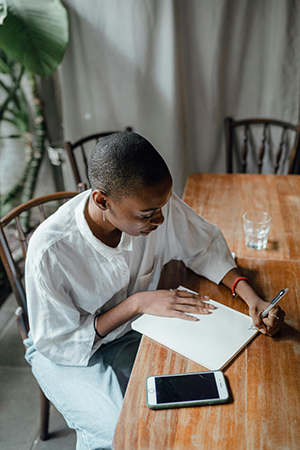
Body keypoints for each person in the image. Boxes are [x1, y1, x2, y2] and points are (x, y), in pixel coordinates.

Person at [24, 131, 285, 450]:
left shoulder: (153, 203)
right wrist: (137, 303)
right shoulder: (50, 251)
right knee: (116, 432)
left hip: (127, 331)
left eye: (162, 207)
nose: (161, 219)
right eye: (148, 215)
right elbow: (57, 341)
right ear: (102, 201)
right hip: (62, 350)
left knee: (200, 389)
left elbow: (203, 248)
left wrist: (251, 297)